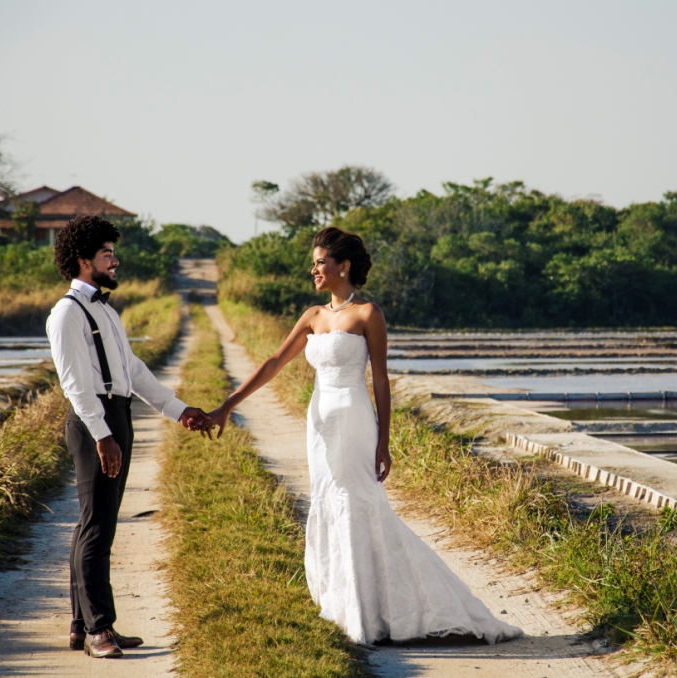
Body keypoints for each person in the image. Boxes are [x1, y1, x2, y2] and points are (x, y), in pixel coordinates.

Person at [204, 226, 522, 645]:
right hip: (319, 423)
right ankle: (344, 603)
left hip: (354, 420)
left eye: (320, 262)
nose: (314, 270)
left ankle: (375, 614)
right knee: (328, 500)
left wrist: (384, 441)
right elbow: (273, 362)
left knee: (357, 502)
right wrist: (227, 405)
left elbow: (382, 381)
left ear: (344, 266)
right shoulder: (313, 316)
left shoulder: (369, 314)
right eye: (314, 263)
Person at [46, 215, 210, 658]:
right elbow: (76, 384)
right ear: (84, 261)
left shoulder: (106, 310)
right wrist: (102, 435)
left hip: (117, 415)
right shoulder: (66, 314)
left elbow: (132, 372)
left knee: (96, 524)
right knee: (96, 526)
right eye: (106, 255)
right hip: (93, 421)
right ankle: (100, 630)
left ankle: (83, 626)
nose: (115, 261)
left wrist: (178, 410)